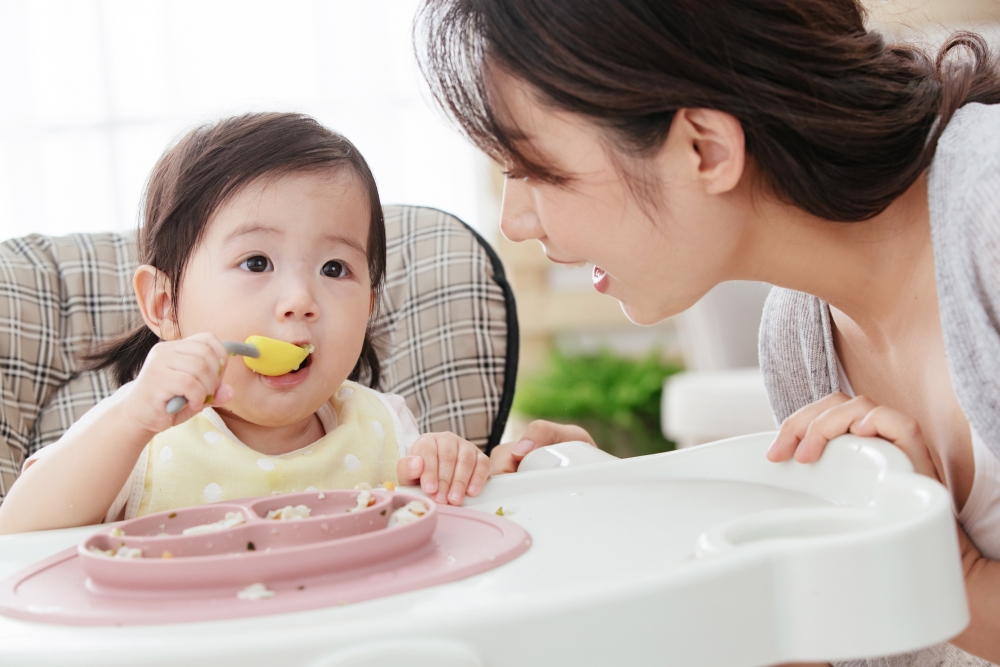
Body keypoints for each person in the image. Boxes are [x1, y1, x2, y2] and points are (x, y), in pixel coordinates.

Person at [414, 1, 1000, 665]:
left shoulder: (989, 213)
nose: (516, 221)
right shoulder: (799, 339)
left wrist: (945, 567)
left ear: (706, 148)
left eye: (536, 171)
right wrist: (622, 523)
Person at [0, 112, 502, 534]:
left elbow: (438, 532)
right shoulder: (139, 434)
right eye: (257, 263)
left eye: (334, 269)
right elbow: (20, 533)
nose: (300, 300)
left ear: (370, 305)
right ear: (163, 305)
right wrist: (131, 421)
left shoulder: (386, 430)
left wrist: (446, 468)